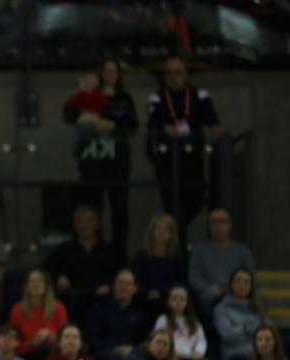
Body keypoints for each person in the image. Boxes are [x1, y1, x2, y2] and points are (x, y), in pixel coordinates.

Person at [64, 61, 138, 263]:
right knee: (92, 204)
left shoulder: (123, 98)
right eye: (106, 71)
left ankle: (119, 256)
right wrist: (86, 119)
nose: (109, 74)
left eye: (114, 71)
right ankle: (93, 254)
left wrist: (112, 126)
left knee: (119, 206)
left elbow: (132, 126)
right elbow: (70, 113)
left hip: (117, 156)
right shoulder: (88, 94)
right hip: (92, 154)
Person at [147, 56, 223, 247]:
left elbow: (211, 117)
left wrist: (215, 126)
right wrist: (165, 128)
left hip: (192, 160)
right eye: (169, 73)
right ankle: (177, 248)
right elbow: (154, 120)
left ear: (186, 74)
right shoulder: (157, 97)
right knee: (171, 205)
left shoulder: (199, 95)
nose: (174, 77)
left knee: (195, 201)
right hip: (168, 161)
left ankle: (174, 236)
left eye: (178, 73)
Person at [42, 206, 117, 327]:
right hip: (73, 302)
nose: (84, 225)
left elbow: (121, 274)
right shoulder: (64, 249)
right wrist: (58, 278)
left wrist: (110, 286)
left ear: (96, 224)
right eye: (79, 221)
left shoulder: (109, 251)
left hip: (101, 301)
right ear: (74, 224)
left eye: (88, 221)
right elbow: (44, 271)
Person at [189, 208, 256, 316]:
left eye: (222, 221)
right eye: (214, 222)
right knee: (205, 300)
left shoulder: (242, 251)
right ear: (209, 226)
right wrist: (207, 288)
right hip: (212, 296)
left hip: (238, 293)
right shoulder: (199, 250)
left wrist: (239, 289)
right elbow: (194, 277)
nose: (218, 226)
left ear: (229, 225)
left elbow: (251, 276)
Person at [86, 269, 149, 360]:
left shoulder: (140, 315)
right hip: (104, 353)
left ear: (135, 288)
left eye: (127, 284)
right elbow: (92, 338)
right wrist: (115, 349)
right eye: (120, 282)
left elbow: (144, 341)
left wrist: (133, 349)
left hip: (131, 354)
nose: (123, 286)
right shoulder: (99, 309)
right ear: (114, 285)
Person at [132, 214, 185, 318]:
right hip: (145, 301)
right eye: (158, 229)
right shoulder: (141, 257)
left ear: (171, 234)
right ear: (151, 232)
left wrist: (161, 293)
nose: (161, 233)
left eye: (166, 230)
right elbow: (135, 282)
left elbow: (181, 283)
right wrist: (147, 293)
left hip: (170, 302)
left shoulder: (178, 257)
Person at [10, 269, 68, 360]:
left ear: (46, 285)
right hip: (26, 356)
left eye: (40, 280)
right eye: (32, 281)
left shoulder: (58, 307)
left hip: (53, 354)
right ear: (27, 286)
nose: (36, 284)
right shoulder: (17, 309)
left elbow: (66, 338)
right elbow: (13, 343)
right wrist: (32, 343)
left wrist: (52, 338)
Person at [214, 267, 266, 360]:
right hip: (235, 356)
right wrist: (251, 328)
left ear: (251, 287)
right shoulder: (221, 309)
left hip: (258, 354)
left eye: (246, 282)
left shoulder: (257, 308)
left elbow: (265, 332)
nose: (242, 285)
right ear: (231, 284)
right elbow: (228, 335)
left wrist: (242, 327)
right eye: (238, 281)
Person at [154, 286, 207, 359]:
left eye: (182, 299)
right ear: (168, 301)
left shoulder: (194, 321)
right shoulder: (163, 320)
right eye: (174, 298)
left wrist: (198, 352)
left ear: (187, 302)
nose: (178, 302)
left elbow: (201, 340)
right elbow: (157, 341)